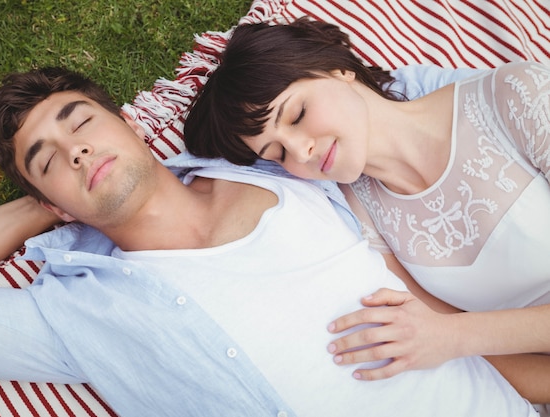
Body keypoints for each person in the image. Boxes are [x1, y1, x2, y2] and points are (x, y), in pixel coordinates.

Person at [0, 67, 539, 417]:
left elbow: (392, 107)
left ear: (133, 126)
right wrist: (31, 214)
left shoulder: (281, 169)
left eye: (80, 122)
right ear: (52, 201)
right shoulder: (75, 313)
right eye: (47, 160)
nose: (75, 148)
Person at [183, 16, 550, 397]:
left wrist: (456, 335)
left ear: (340, 69)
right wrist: (451, 338)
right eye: (275, 152)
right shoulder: (362, 220)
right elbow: (484, 360)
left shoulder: (516, 97)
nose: (299, 150)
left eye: (296, 115)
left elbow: (449, 337)